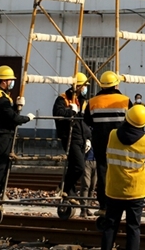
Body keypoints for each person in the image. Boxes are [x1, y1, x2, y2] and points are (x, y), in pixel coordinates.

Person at [102, 104, 145, 250]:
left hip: (114, 189)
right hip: (135, 191)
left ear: (127, 117)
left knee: (110, 226)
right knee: (133, 228)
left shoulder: (112, 134)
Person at [0, 66, 34, 211]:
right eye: (10, 80)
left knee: (0, 167)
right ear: (3, 81)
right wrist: (27, 118)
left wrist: (16, 106)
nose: (12, 82)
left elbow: (6, 115)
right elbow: (13, 118)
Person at [83, 71, 131, 215]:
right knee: (121, 173)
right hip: (120, 143)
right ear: (116, 84)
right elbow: (131, 121)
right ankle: (121, 204)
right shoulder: (125, 100)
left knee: (103, 174)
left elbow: (87, 122)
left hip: (101, 144)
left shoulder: (92, 102)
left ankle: (104, 206)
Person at [53, 72, 90, 202]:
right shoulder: (62, 99)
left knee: (74, 165)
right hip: (69, 136)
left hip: (81, 137)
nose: (86, 89)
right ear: (77, 86)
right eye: (83, 86)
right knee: (79, 167)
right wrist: (71, 111)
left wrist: (88, 137)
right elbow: (58, 115)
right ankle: (64, 187)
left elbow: (84, 121)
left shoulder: (83, 101)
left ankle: (69, 192)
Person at [80, 138, 98, 217]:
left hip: (96, 160)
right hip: (87, 159)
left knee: (93, 186)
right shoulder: (87, 129)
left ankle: (87, 207)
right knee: (86, 185)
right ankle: (83, 209)